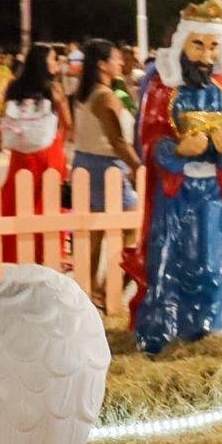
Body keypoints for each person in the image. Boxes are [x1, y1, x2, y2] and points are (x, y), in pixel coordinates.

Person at [122, 0, 222, 353]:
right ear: (182, 45)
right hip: (174, 194)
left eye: (213, 46)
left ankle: (210, 330)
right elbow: (148, 139)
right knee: (170, 263)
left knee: (212, 265)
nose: (205, 54)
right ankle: (164, 332)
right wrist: (177, 150)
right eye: (198, 44)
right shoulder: (163, 89)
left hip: (213, 192)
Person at [72, 39, 142, 295]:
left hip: (84, 162)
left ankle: (89, 290)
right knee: (132, 228)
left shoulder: (85, 92)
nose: (121, 62)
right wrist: (138, 166)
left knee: (94, 233)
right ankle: (109, 288)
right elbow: (118, 140)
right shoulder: (105, 96)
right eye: (116, 58)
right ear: (103, 65)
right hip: (106, 165)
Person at [0, 44, 71, 265]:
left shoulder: (14, 87)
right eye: (52, 59)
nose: (56, 64)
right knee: (47, 203)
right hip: (48, 153)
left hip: (20, 154)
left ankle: (12, 252)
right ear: (43, 63)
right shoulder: (53, 89)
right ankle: (46, 253)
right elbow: (68, 122)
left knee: (18, 200)